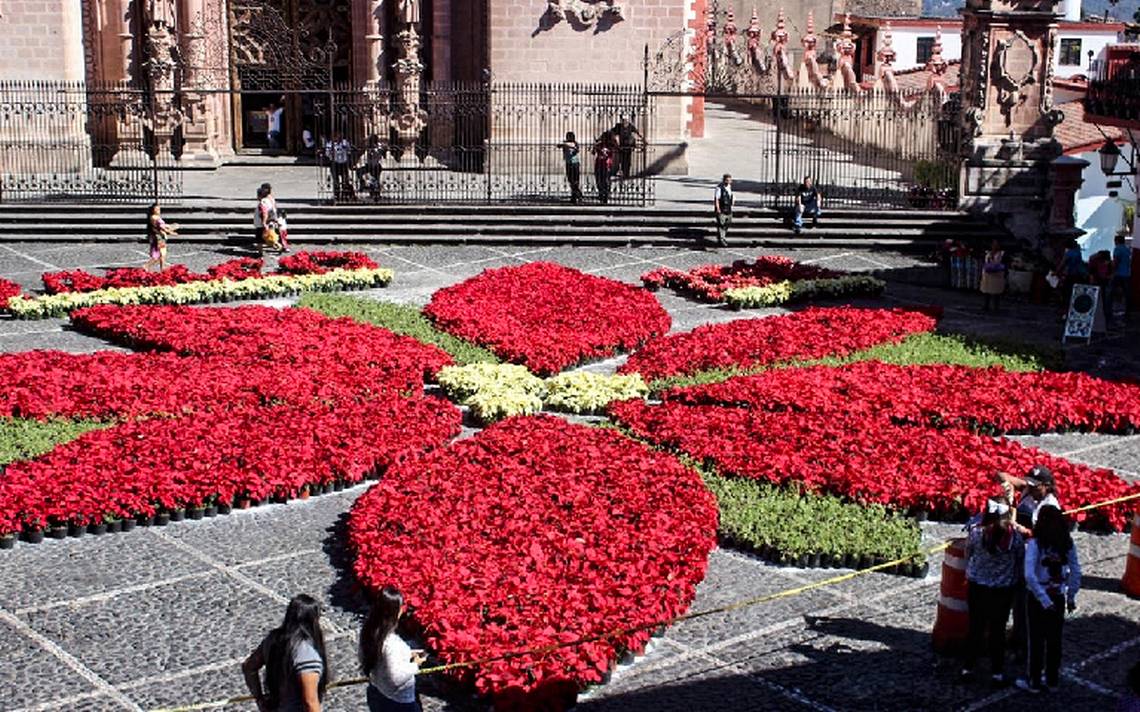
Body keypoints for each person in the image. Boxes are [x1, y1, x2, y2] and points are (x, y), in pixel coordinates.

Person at [1016, 505, 1081, 694]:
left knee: (1036, 640)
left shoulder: (1035, 544)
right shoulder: (1066, 543)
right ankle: (1052, 679)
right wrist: (1070, 596)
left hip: (1038, 597)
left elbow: (1029, 574)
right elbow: (1075, 571)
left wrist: (1043, 598)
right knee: (1054, 640)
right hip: (1058, 595)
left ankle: (1034, 680)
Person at [961, 497, 1024, 686]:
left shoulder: (976, 534)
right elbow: (1020, 561)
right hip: (1003, 590)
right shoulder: (1015, 538)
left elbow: (967, 554)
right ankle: (996, 671)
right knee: (998, 630)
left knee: (975, 628)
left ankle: (968, 668)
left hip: (977, 587)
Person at [243, 594, 330, 712]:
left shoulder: (273, 639)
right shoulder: (307, 655)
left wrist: (260, 699)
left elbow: (249, 666)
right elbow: (310, 703)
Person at [360, 586, 426, 712]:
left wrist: (407, 654)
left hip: (377, 692)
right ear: (396, 611)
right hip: (399, 702)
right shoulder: (392, 643)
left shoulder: (369, 631)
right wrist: (415, 665)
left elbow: (373, 657)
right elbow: (396, 678)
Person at [143, 203, 177, 272]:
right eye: (157, 209)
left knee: (162, 253)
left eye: (159, 209)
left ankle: (162, 267)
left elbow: (162, 226)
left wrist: (169, 227)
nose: (159, 211)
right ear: (153, 210)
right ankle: (147, 265)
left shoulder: (153, 217)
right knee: (160, 254)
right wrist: (171, 231)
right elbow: (161, 227)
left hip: (157, 236)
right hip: (159, 238)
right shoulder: (155, 218)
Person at [1109, 234, 1133, 325]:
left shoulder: (1117, 249)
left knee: (1110, 292)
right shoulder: (1127, 249)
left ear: (1117, 241)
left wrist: (1112, 272)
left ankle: (1109, 312)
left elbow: (1116, 262)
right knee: (1127, 294)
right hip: (1127, 274)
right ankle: (1128, 314)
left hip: (1118, 274)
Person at [325, 134, 355, 203]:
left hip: (344, 163)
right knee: (336, 180)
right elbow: (327, 154)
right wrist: (331, 152)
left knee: (345, 179)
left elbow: (349, 151)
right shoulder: (330, 144)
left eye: (339, 135)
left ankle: (345, 194)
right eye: (336, 136)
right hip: (335, 163)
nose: (338, 137)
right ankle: (337, 195)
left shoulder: (345, 142)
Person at [980, 239, 1006, 313]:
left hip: (997, 274)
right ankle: (986, 305)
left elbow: (1002, 263)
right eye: (993, 244)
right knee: (986, 290)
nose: (995, 246)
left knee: (996, 292)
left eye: (996, 244)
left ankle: (996, 307)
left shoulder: (1001, 254)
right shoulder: (988, 253)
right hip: (988, 274)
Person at [557, 131, 583, 205]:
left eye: (569, 136)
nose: (567, 137)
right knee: (571, 180)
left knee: (575, 180)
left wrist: (570, 146)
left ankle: (575, 196)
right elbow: (558, 145)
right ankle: (577, 194)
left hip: (575, 163)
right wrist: (565, 145)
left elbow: (576, 151)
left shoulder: (575, 144)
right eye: (567, 136)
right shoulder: (564, 143)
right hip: (568, 163)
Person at [592, 131, 614, 205]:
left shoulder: (611, 145)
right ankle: (601, 193)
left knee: (605, 180)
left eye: (604, 137)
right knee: (598, 179)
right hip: (599, 163)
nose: (603, 138)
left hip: (607, 164)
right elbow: (593, 152)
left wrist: (607, 151)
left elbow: (616, 151)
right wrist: (595, 146)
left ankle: (606, 194)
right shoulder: (599, 144)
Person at [361, 135, 385, 202]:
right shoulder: (368, 147)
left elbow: (380, 153)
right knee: (371, 180)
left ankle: (377, 193)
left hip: (376, 165)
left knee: (376, 180)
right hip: (369, 165)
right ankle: (371, 193)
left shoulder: (379, 146)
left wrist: (375, 150)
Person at [255, 183, 279, 250]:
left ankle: (260, 253)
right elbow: (274, 209)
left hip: (263, 222)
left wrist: (264, 222)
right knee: (271, 235)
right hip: (271, 220)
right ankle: (276, 246)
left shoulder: (264, 201)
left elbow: (264, 212)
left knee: (259, 238)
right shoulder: (271, 199)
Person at [713, 173, 734, 248]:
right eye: (727, 180)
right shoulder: (719, 188)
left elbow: (730, 196)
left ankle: (721, 237)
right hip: (722, 209)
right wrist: (717, 208)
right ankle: (722, 239)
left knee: (727, 223)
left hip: (728, 209)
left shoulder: (729, 187)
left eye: (729, 180)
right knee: (721, 224)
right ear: (723, 180)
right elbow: (716, 199)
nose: (728, 182)